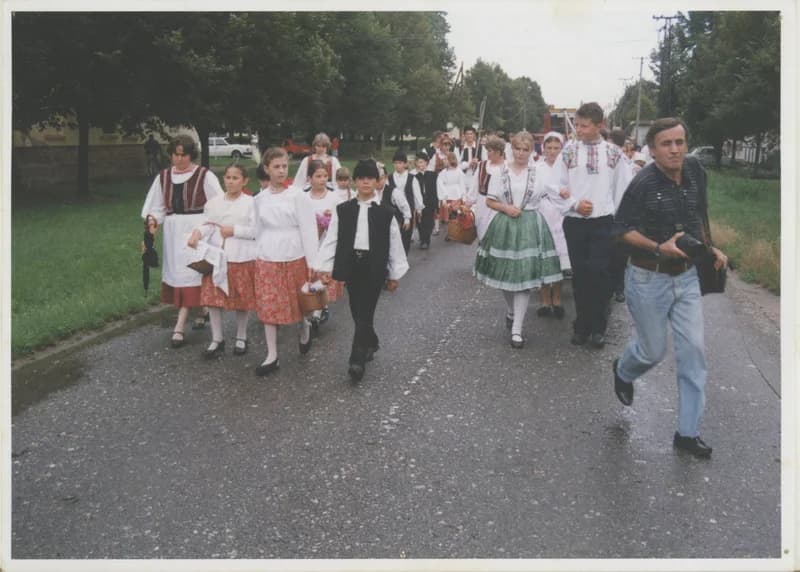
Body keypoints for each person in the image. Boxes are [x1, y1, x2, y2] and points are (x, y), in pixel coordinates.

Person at [612, 117, 728, 458]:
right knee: (652, 351)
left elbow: (698, 217)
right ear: (652, 150)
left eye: (680, 142)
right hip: (648, 277)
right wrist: (659, 247)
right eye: (666, 144)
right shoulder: (642, 183)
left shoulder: (695, 172)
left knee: (694, 352)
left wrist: (710, 248)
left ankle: (687, 433)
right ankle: (623, 370)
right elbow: (621, 230)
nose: (675, 149)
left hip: (687, 277)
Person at [314, 159, 409, 382]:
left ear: (377, 181)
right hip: (351, 264)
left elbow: (394, 243)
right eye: (361, 178)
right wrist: (325, 266)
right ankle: (371, 342)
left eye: (370, 178)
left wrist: (394, 274)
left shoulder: (386, 212)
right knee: (357, 310)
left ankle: (356, 360)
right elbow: (332, 238)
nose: (366, 182)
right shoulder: (343, 210)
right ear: (355, 181)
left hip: (374, 266)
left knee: (366, 310)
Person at [473, 131, 564, 349]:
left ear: (531, 151)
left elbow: (554, 194)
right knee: (505, 275)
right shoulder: (501, 172)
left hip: (530, 225)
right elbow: (490, 201)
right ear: (511, 149)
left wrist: (570, 200)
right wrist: (506, 208)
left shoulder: (538, 173)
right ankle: (512, 310)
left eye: (525, 149)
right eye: (517, 149)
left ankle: (517, 329)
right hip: (505, 225)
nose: (521, 153)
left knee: (524, 278)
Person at [556, 102, 632, 348]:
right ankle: (582, 325)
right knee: (580, 275)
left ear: (600, 125)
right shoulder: (569, 151)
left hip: (603, 222)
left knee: (599, 274)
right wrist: (575, 204)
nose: (578, 130)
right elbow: (556, 185)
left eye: (584, 126)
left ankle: (599, 327)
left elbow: (623, 189)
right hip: (576, 222)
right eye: (577, 125)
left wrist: (618, 221)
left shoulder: (613, 153)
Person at [141, 134, 223, 348]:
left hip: (197, 230)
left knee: (194, 273)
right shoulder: (163, 177)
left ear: (191, 155)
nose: (179, 159)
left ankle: (179, 326)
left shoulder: (204, 175)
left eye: (183, 155)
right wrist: (152, 223)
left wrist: (208, 230)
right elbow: (157, 207)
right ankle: (202, 310)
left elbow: (218, 205)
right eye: (175, 155)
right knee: (180, 275)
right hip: (173, 232)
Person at [252, 147, 319, 376]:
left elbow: (308, 229)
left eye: (284, 166)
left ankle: (304, 327)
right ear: (266, 169)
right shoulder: (259, 199)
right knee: (269, 304)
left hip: (294, 255)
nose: (281, 171)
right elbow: (256, 230)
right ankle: (272, 355)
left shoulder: (298, 196)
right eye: (276, 167)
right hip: (267, 256)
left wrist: (312, 262)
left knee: (298, 302)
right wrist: (256, 254)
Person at [187, 163, 256, 358]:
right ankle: (217, 339)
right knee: (213, 298)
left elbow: (256, 230)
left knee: (241, 298)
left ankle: (241, 336)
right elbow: (208, 224)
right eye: (228, 177)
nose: (231, 182)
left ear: (244, 181)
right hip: (216, 257)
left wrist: (235, 230)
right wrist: (197, 233)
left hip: (241, 256)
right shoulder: (214, 203)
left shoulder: (251, 203)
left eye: (235, 178)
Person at [304, 159, 346, 335]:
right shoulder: (303, 198)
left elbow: (342, 220)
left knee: (323, 277)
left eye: (325, 176)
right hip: (308, 243)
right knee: (310, 277)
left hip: (327, 243)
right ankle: (314, 307)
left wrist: (329, 221)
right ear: (309, 178)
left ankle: (319, 310)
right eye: (318, 176)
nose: (322, 180)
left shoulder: (334, 198)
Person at [533, 132, 571, 319]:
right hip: (543, 212)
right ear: (543, 149)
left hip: (561, 214)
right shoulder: (537, 168)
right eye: (549, 148)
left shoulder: (566, 168)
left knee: (559, 259)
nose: (553, 151)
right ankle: (545, 300)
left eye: (556, 148)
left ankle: (557, 299)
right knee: (544, 257)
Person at [470, 135, 507, 243]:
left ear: (498, 152)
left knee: (498, 235)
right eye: (487, 150)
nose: (487, 153)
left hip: (500, 204)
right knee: (482, 233)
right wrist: (469, 201)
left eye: (490, 151)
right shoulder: (482, 165)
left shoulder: (507, 167)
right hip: (483, 204)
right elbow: (474, 185)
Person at [387, 149, 424, 253]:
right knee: (394, 235)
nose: (397, 165)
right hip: (394, 210)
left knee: (406, 236)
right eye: (395, 163)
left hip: (408, 210)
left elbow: (417, 195)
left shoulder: (412, 178)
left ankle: (404, 255)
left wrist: (419, 209)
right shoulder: (389, 178)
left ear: (405, 164)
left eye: (400, 163)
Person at [414, 151, 437, 250]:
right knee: (420, 221)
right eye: (418, 162)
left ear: (426, 163)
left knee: (429, 222)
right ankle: (423, 239)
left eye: (422, 162)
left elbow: (436, 189)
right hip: (419, 203)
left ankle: (426, 239)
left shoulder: (433, 175)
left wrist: (437, 202)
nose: (420, 164)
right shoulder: (414, 177)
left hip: (430, 202)